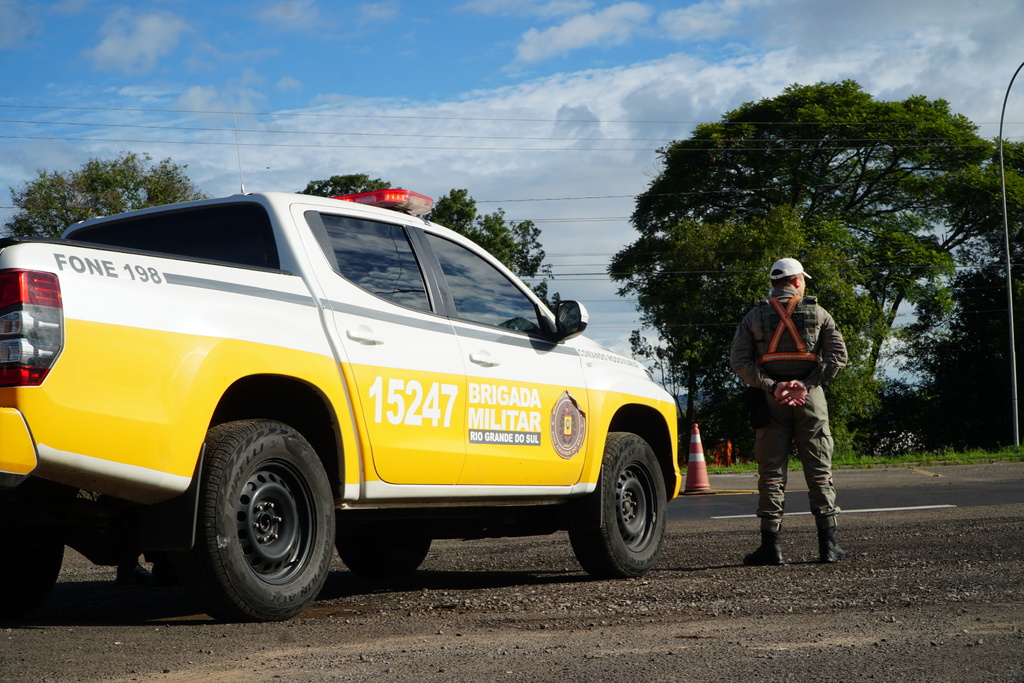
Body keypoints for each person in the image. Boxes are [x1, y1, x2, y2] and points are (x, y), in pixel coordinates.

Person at [729, 258, 849, 565]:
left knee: (771, 475)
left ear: (775, 283)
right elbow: (837, 359)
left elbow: (740, 363)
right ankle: (828, 546)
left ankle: (771, 547)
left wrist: (773, 386)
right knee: (820, 473)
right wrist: (805, 384)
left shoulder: (753, 316)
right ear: (797, 281)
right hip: (811, 400)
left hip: (770, 403)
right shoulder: (820, 313)